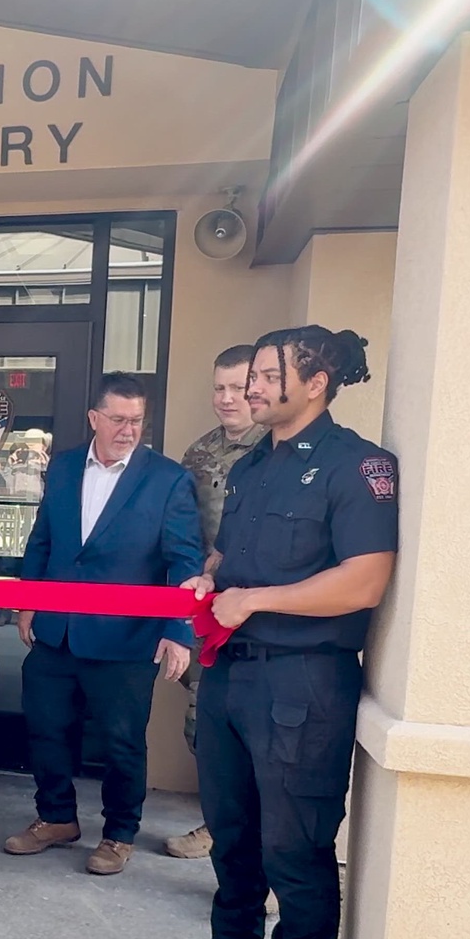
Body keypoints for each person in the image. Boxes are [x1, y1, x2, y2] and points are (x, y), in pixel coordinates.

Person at [151, 326, 396, 939]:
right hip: (232, 675)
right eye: (249, 374)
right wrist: (212, 577)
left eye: (265, 375)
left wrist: (254, 600)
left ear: (315, 383)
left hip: (302, 684)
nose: (250, 387)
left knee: (295, 852)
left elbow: (364, 581)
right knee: (233, 836)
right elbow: (236, 553)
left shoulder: (357, 466)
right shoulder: (256, 462)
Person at [4, 373, 200, 876]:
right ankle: (56, 818)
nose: (128, 430)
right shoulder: (65, 466)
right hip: (57, 631)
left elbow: (184, 560)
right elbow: (43, 540)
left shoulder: (168, 479)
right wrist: (28, 602)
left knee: (121, 742)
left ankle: (119, 834)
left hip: (127, 638)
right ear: (94, 418)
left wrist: (178, 629)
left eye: (136, 421)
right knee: (46, 728)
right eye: (117, 419)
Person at [165, 345, 269, 860]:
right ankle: (221, 824)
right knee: (204, 724)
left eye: (238, 388)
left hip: (262, 611)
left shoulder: (278, 450)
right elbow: (182, 529)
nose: (227, 399)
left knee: (258, 734)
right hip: (206, 609)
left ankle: (254, 841)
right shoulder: (200, 453)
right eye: (219, 388)